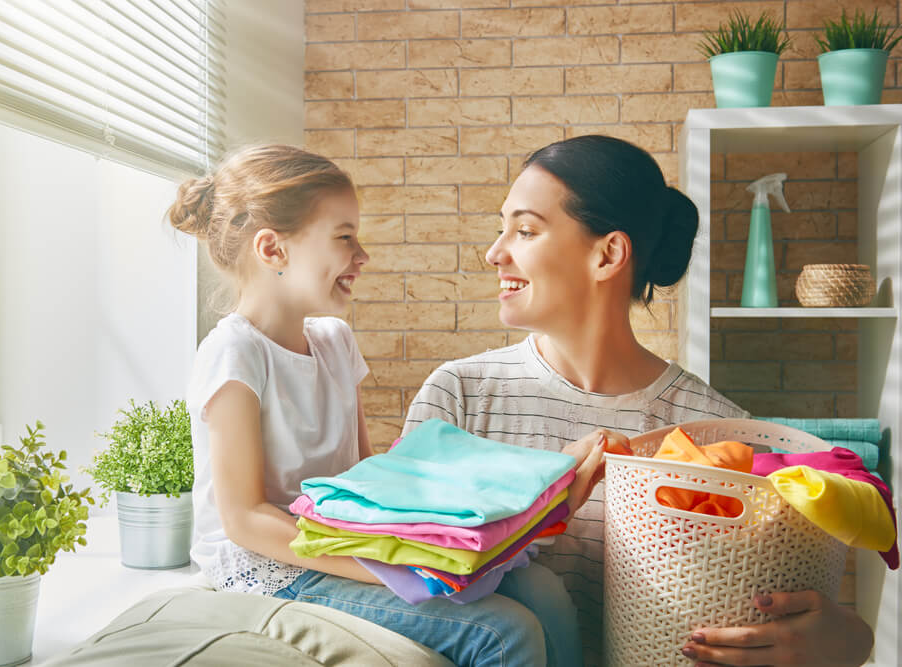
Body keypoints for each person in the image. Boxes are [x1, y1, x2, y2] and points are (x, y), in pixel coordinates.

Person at [403, 135, 875, 667]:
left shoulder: (717, 434)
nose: (495, 252)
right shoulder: (461, 397)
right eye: (502, 228)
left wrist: (843, 639)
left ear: (608, 254)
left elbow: (792, 611)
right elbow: (392, 578)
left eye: (526, 230)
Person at [168, 144, 596, 667]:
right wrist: (382, 570)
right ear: (273, 250)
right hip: (268, 566)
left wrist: (428, 545)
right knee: (503, 633)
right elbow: (244, 519)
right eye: (344, 238)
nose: (362, 255)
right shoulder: (236, 352)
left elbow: (365, 479)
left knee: (545, 592)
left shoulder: (334, 340)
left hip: (334, 547)